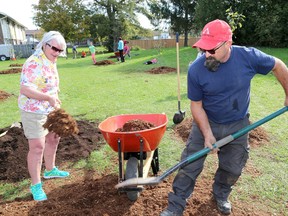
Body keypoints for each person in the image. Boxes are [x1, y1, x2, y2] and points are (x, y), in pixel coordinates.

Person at [160, 19, 288, 216]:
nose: (206, 54)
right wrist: (208, 134)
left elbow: (278, 65)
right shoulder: (196, 69)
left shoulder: (248, 57)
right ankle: (175, 206)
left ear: (228, 44)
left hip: (238, 125)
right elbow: (196, 105)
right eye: (204, 49)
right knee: (189, 166)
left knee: (233, 168)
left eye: (211, 50)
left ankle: (220, 194)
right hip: (207, 122)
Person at [18, 31, 70, 202]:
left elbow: (49, 82)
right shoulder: (33, 63)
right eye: (54, 49)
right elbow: (25, 89)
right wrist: (48, 97)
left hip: (50, 107)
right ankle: (36, 185)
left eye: (60, 51)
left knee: (54, 138)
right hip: (33, 109)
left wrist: (54, 94)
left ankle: (50, 170)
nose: (57, 53)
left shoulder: (51, 60)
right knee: (37, 147)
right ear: (45, 44)